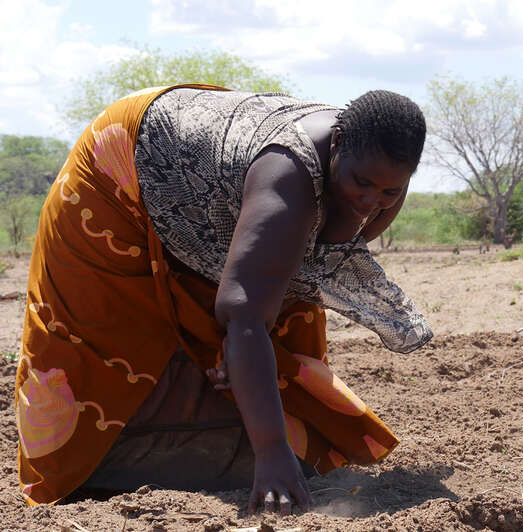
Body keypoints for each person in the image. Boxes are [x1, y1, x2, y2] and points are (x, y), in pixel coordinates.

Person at [15, 84, 432, 513]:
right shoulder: (288, 174)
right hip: (122, 165)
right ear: (338, 143)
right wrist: (271, 453)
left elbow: (299, 270)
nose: (371, 201)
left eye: (389, 192)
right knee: (107, 327)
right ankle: (88, 469)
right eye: (362, 183)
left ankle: (246, 447)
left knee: (279, 325)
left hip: (211, 199)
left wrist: (236, 345)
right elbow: (245, 313)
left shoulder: (379, 176)